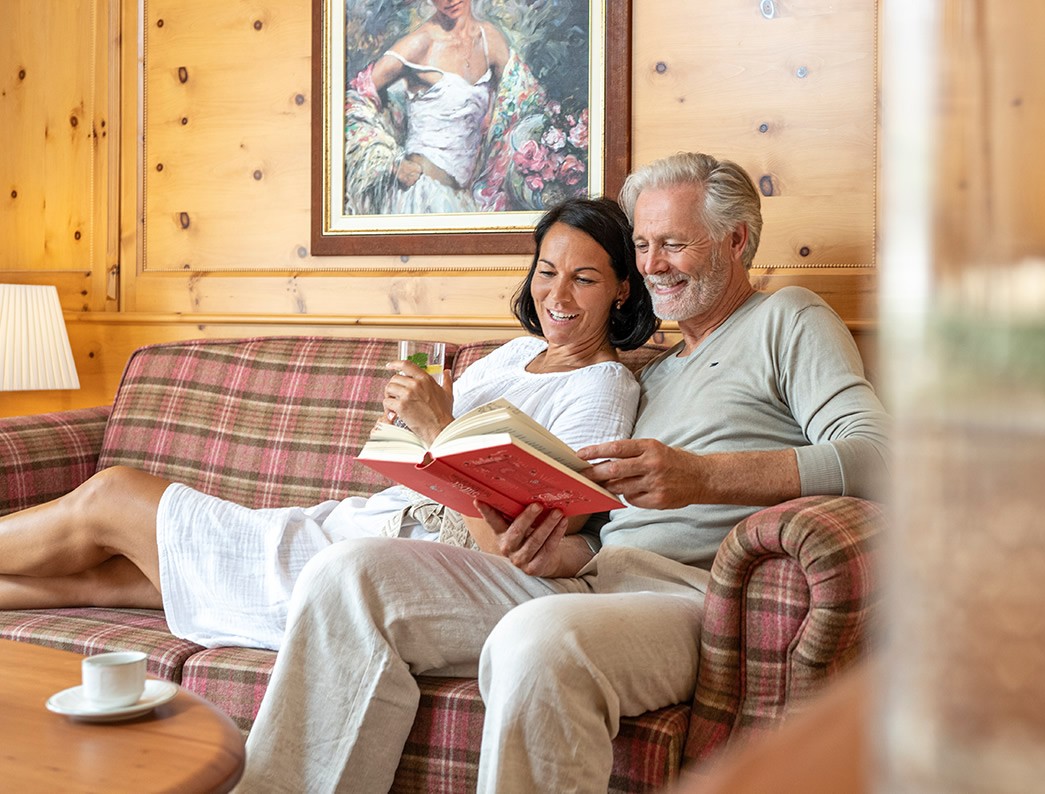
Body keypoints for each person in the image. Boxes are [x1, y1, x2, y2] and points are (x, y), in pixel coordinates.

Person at [236, 152, 891, 792]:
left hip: (689, 599)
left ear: (736, 240)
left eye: (674, 243)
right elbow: (607, 535)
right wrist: (558, 551)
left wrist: (707, 478)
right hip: (591, 582)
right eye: (642, 244)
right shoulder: (652, 373)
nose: (654, 265)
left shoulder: (788, 320)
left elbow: (880, 457)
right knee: (347, 573)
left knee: (536, 641)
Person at [0, 196, 658, 651]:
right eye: (546, 272)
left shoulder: (602, 387)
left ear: (623, 288)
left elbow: (528, 550)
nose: (557, 296)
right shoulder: (515, 354)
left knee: (112, 496)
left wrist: (438, 429)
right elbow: (433, 450)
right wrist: (413, 421)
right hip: (364, 519)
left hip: (400, 565)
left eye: (585, 279)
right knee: (109, 581)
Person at [344, 0, 553, 215]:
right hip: (420, 193)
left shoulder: (490, 39)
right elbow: (351, 100)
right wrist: (392, 164)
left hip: (464, 199)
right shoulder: (419, 43)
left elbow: (526, 104)